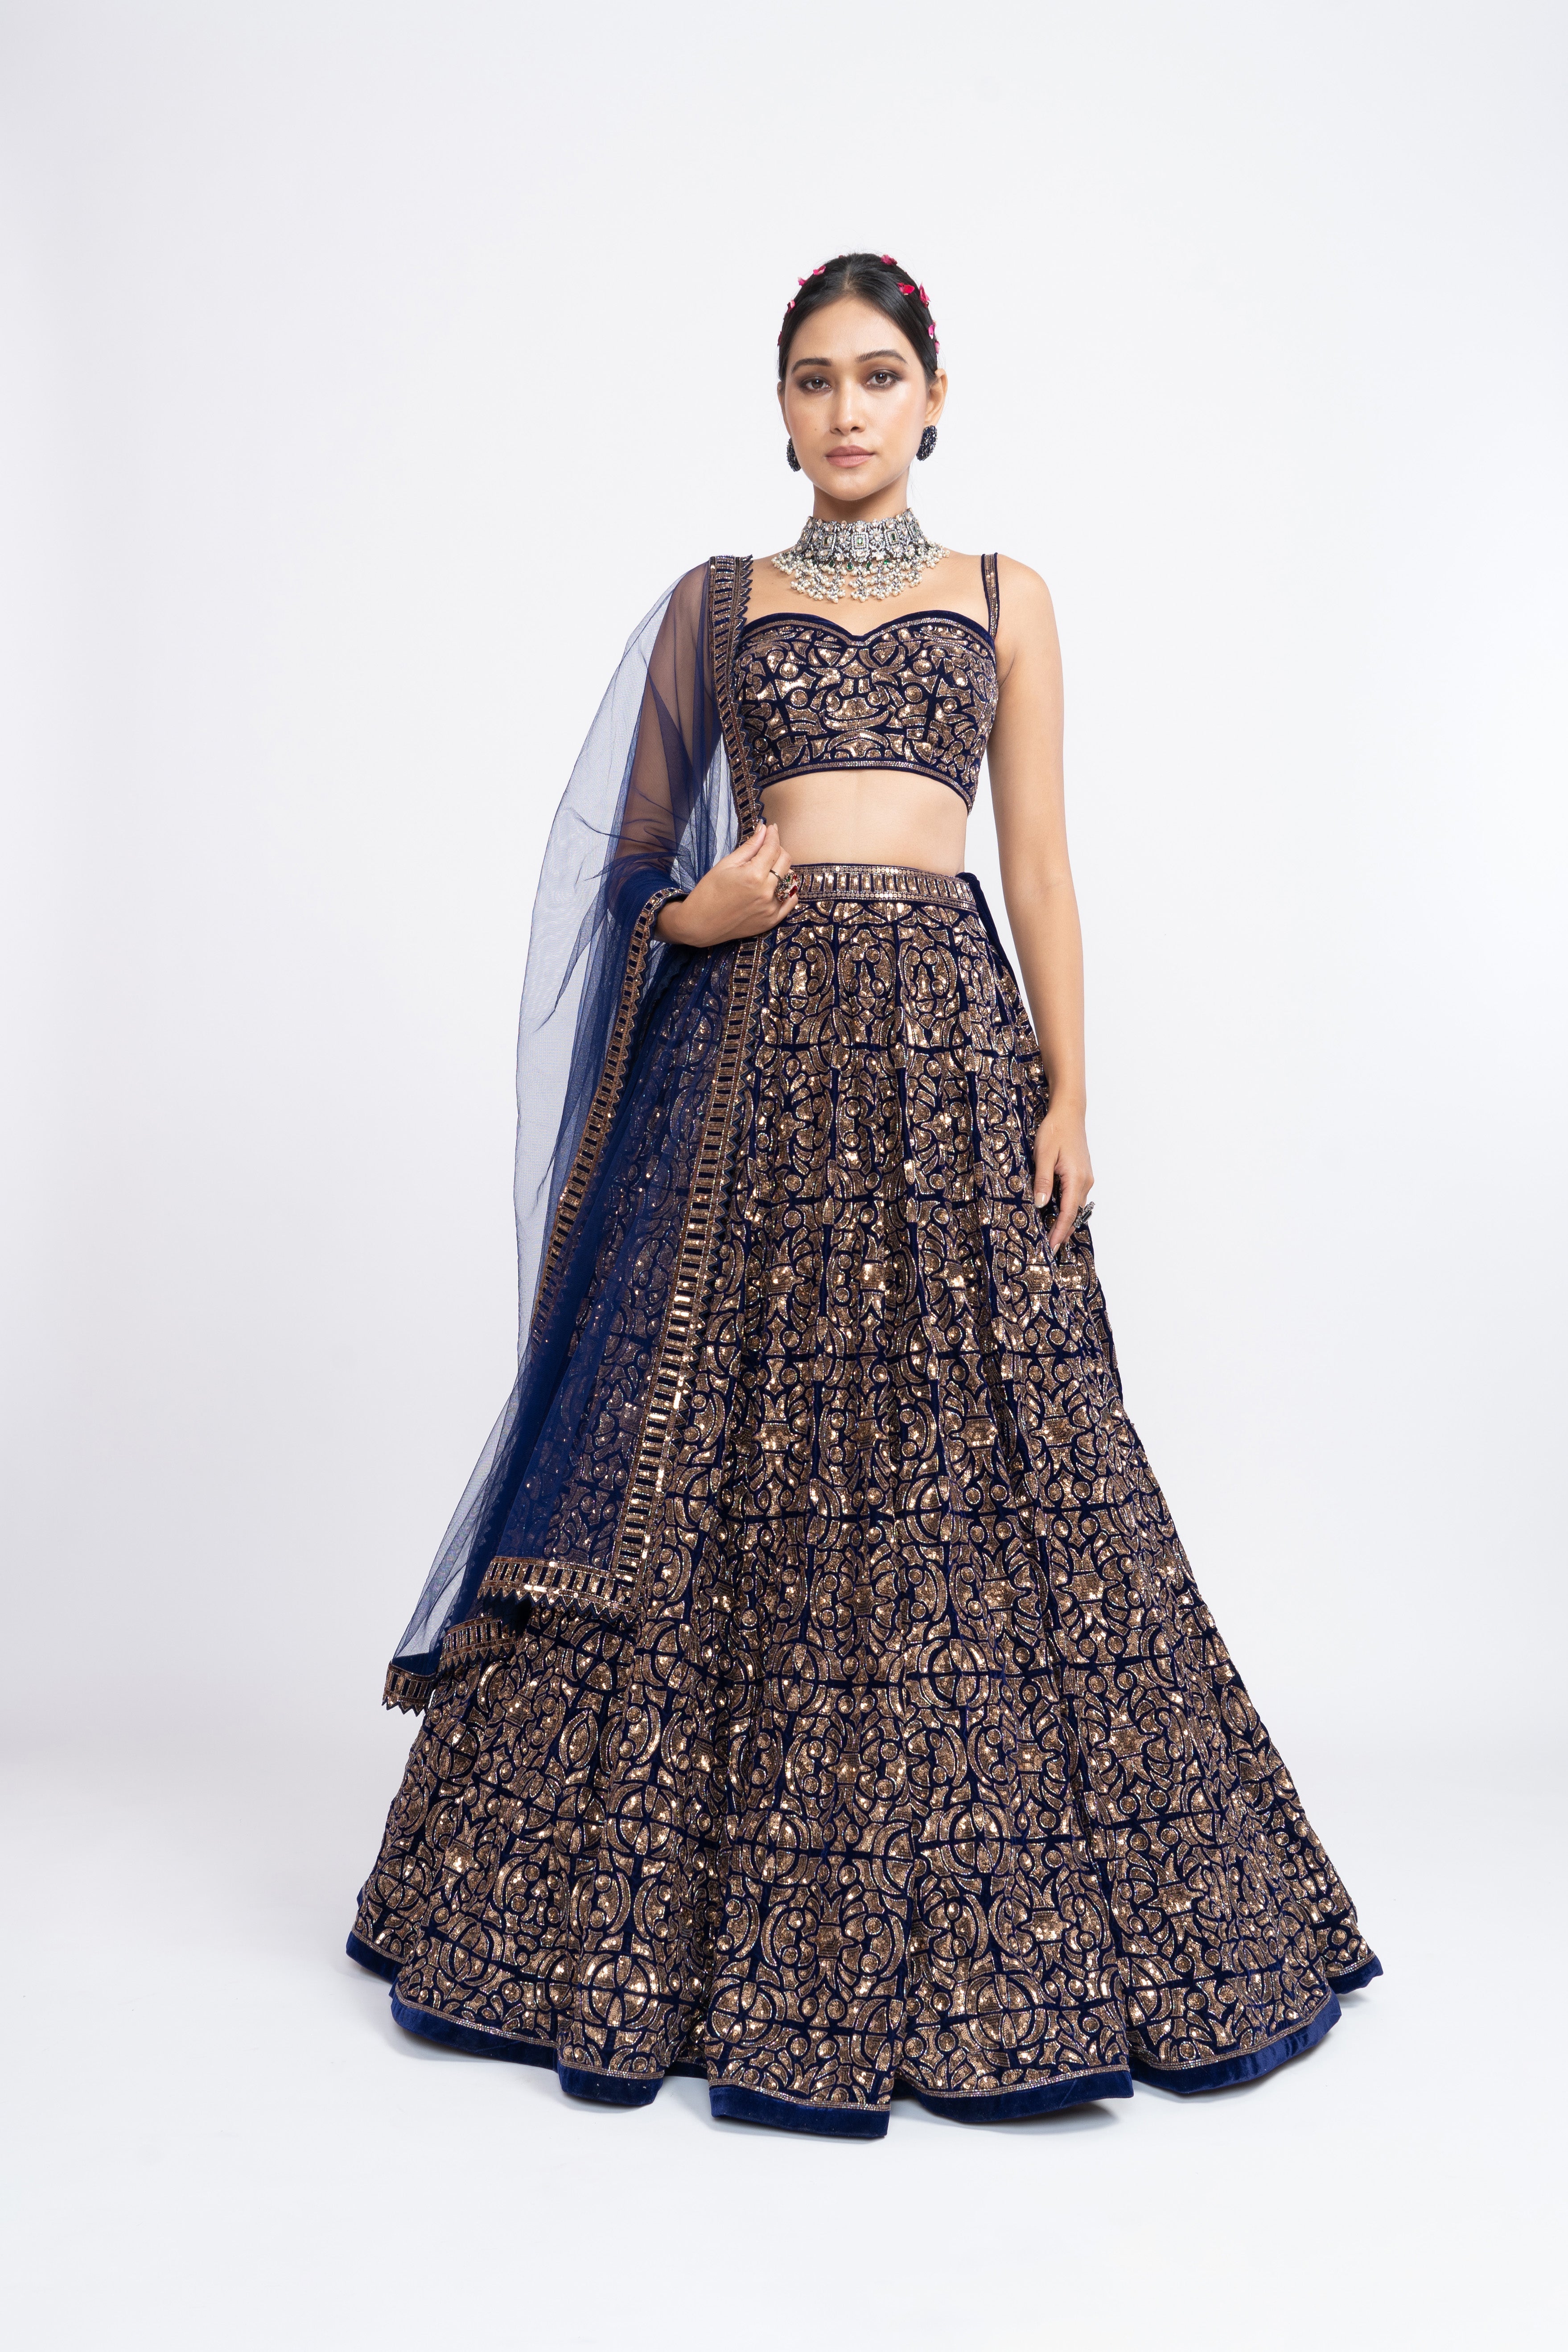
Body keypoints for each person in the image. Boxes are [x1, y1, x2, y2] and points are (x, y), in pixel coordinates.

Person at [347, 252, 1379, 2138]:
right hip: (743, 1061)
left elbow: (1040, 862)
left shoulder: (1003, 594)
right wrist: (694, 915)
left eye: (879, 374)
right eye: (815, 378)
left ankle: (1013, 1911)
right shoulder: (713, 603)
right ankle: (654, 1917)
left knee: (998, 1443)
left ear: (935, 397)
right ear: (780, 406)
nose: (846, 408)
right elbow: (617, 865)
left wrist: (1073, 1088)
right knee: (720, 1452)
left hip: (946, 1057)